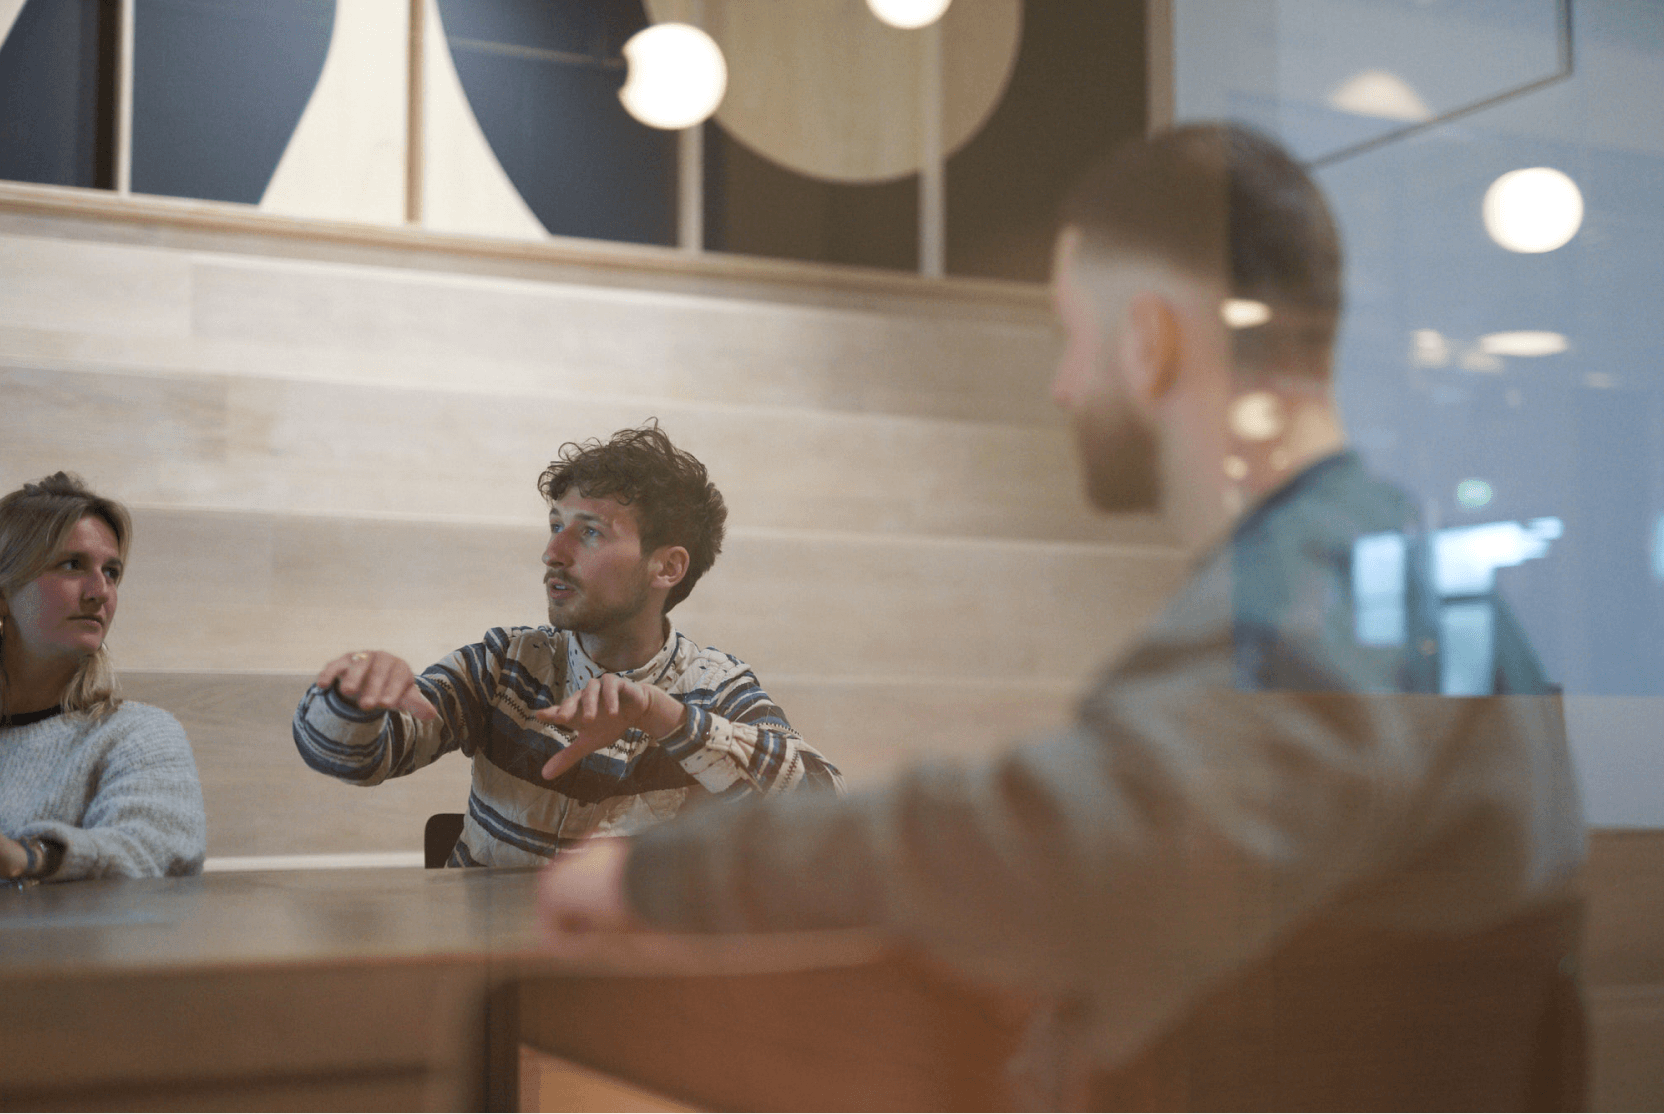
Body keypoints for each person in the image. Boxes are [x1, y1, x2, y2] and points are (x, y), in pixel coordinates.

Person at [536, 127, 1586, 1110]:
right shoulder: (1396, 578)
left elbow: (1070, 845)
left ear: (1150, 340)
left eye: (1071, 338)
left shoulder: (1335, 584)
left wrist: (663, 873)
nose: (1061, 385)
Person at [293, 423, 842, 868]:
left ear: (668, 567)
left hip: (622, 979)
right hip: (489, 969)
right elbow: (350, 757)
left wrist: (662, 716)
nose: (553, 552)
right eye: (555, 525)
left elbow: (823, 810)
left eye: (590, 532)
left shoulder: (712, 686)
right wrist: (353, 697)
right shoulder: (507, 662)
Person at [0, 473, 207, 885]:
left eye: (111, 572)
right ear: (3, 595)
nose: (101, 591)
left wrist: (28, 856)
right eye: (72, 565)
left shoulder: (137, 735)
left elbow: (157, 852)